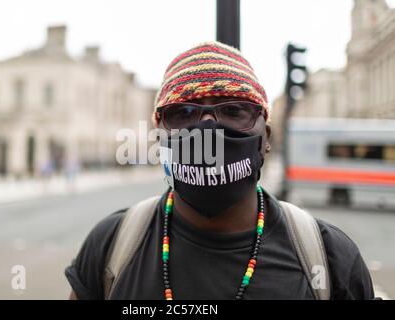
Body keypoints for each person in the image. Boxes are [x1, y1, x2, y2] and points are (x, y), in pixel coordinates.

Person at [65, 41, 375, 300]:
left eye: (233, 110)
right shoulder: (111, 246)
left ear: (265, 136)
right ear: (159, 133)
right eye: (184, 112)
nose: (208, 128)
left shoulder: (330, 259)